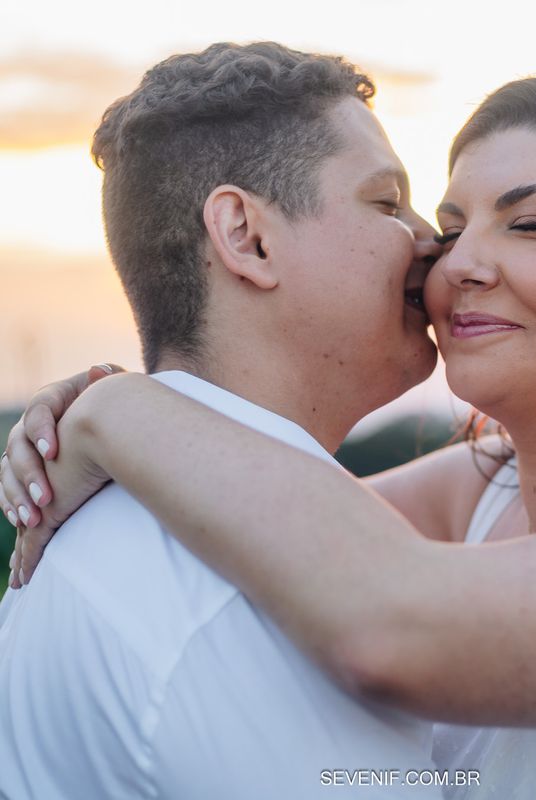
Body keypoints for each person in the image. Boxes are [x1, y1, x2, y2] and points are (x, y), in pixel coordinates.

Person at [4, 71, 536, 799]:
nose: (452, 265)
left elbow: (396, 626)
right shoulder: (478, 493)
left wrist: (120, 412)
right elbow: (257, 511)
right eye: (451, 229)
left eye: (531, 223)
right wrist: (95, 419)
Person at [0, 41, 450, 799]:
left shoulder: (147, 531)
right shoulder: (227, 606)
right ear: (247, 236)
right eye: (385, 202)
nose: (431, 239)